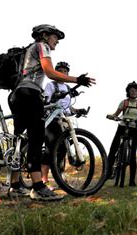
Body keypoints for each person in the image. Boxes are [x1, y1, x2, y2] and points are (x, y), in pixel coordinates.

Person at [8, 24, 95, 200]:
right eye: (56, 37)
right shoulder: (42, 46)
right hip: (31, 93)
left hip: (17, 94)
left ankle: (15, 185)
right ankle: (38, 187)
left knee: (18, 140)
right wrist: (77, 79)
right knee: (36, 138)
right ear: (45, 35)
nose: (57, 42)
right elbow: (50, 72)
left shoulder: (29, 51)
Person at [41, 61, 88, 191]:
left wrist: (78, 111)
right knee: (49, 149)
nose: (62, 73)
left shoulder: (67, 88)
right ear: (55, 72)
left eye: (65, 72)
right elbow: (45, 101)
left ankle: (60, 178)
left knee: (62, 150)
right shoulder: (51, 85)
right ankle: (44, 180)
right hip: (52, 120)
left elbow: (67, 106)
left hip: (65, 121)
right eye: (60, 71)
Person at [106, 81, 137, 187]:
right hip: (122, 126)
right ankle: (107, 173)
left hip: (134, 127)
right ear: (128, 92)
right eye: (131, 90)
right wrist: (112, 116)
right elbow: (116, 114)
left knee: (133, 154)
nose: (133, 92)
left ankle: (132, 181)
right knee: (113, 150)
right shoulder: (124, 102)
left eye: (135, 90)